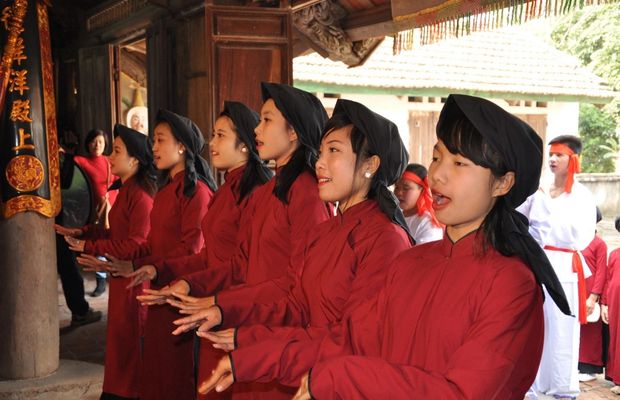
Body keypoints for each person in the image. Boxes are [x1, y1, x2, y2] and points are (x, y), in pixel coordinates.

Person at [198, 94, 570, 400]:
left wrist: (337, 377)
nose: (437, 174)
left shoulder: (511, 282)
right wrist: (254, 357)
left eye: (459, 163)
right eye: (438, 156)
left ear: (503, 183)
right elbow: (351, 340)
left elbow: (459, 393)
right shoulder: (412, 263)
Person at [171, 99, 412, 396]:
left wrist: (261, 353)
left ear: (370, 165)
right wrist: (234, 320)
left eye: (334, 151)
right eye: (321, 152)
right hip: (301, 367)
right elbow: (295, 301)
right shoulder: (327, 231)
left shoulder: (385, 239)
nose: (320, 163)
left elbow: (355, 341)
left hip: (333, 382)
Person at [143, 82, 332, 399]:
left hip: (278, 333)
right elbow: (240, 265)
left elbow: (299, 286)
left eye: (267, 120)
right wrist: (190, 285)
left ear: (293, 133)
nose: (257, 128)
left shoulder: (307, 193)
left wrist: (221, 304)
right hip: (248, 321)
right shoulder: (267, 193)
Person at [135, 101, 271, 400]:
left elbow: (243, 264)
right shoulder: (226, 190)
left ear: (245, 146)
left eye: (221, 135)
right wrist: (170, 275)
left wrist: (196, 287)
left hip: (236, 307)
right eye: (213, 134)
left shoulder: (257, 195)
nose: (212, 142)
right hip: (212, 302)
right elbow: (208, 256)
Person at [81, 110, 216, 400]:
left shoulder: (198, 193)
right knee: (155, 372)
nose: (153, 147)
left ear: (182, 146)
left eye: (160, 140)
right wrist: (127, 262)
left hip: (181, 296)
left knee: (176, 376)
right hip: (158, 293)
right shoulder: (166, 191)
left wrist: (150, 267)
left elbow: (192, 250)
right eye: (153, 140)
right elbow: (150, 244)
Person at [60, 124, 157, 400]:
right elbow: (117, 234)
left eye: (116, 151)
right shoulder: (126, 190)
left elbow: (137, 244)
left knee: (128, 350)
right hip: (121, 280)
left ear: (135, 160)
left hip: (134, 285)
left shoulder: (141, 196)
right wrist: (84, 232)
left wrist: (91, 246)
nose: (110, 158)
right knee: (119, 348)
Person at [525, 135, 597, 399]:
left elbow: (583, 234)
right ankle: (536, 384)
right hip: (539, 262)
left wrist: (546, 223)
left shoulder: (582, 196)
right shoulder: (540, 189)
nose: (553, 159)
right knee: (537, 325)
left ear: (573, 159)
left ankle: (563, 388)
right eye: (551, 154)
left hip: (565, 265)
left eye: (560, 155)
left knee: (563, 329)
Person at [74, 128, 118, 297]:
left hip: (112, 206)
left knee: (114, 242)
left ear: (105, 143)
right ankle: (100, 282)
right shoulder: (83, 161)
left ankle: (114, 276)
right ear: (87, 143)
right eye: (93, 141)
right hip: (96, 211)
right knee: (99, 245)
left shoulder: (110, 160)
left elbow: (120, 180)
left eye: (100, 141)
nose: (97, 145)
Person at [578, 206, 608, 382]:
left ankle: (590, 367)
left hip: (590, 293)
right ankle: (577, 364)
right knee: (578, 330)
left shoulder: (599, 244)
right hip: (576, 289)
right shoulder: (574, 240)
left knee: (591, 331)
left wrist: (594, 296)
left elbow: (601, 272)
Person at [394, 163, 443, 244]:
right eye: (396, 187)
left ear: (422, 190)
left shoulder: (428, 223)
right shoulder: (394, 217)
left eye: (406, 188)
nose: (399, 192)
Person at [602, 216, 620, 395]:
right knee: (616, 338)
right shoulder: (614, 254)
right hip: (615, 303)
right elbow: (608, 280)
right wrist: (605, 304)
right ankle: (618, 378)